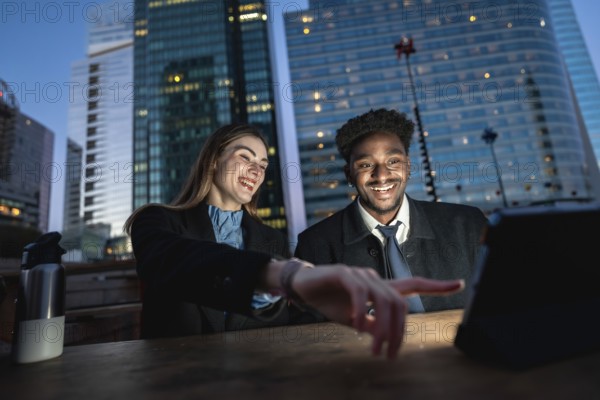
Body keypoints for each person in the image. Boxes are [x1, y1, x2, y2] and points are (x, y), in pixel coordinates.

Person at [124, 123, 465, 359]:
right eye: (245, 157)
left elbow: (277, 326)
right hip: (173, 378)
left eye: (263, 163)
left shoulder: (271, 240)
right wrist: (284, 277)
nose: (257, 170)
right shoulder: (157, 221)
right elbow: (170, 260)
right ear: (213, 160)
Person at [295, 108, 488, 313]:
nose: (382, 175)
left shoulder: (469, 224)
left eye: (393, 161)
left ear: (408, 166)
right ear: (349, 174)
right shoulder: (314, 245)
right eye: (366, 164)